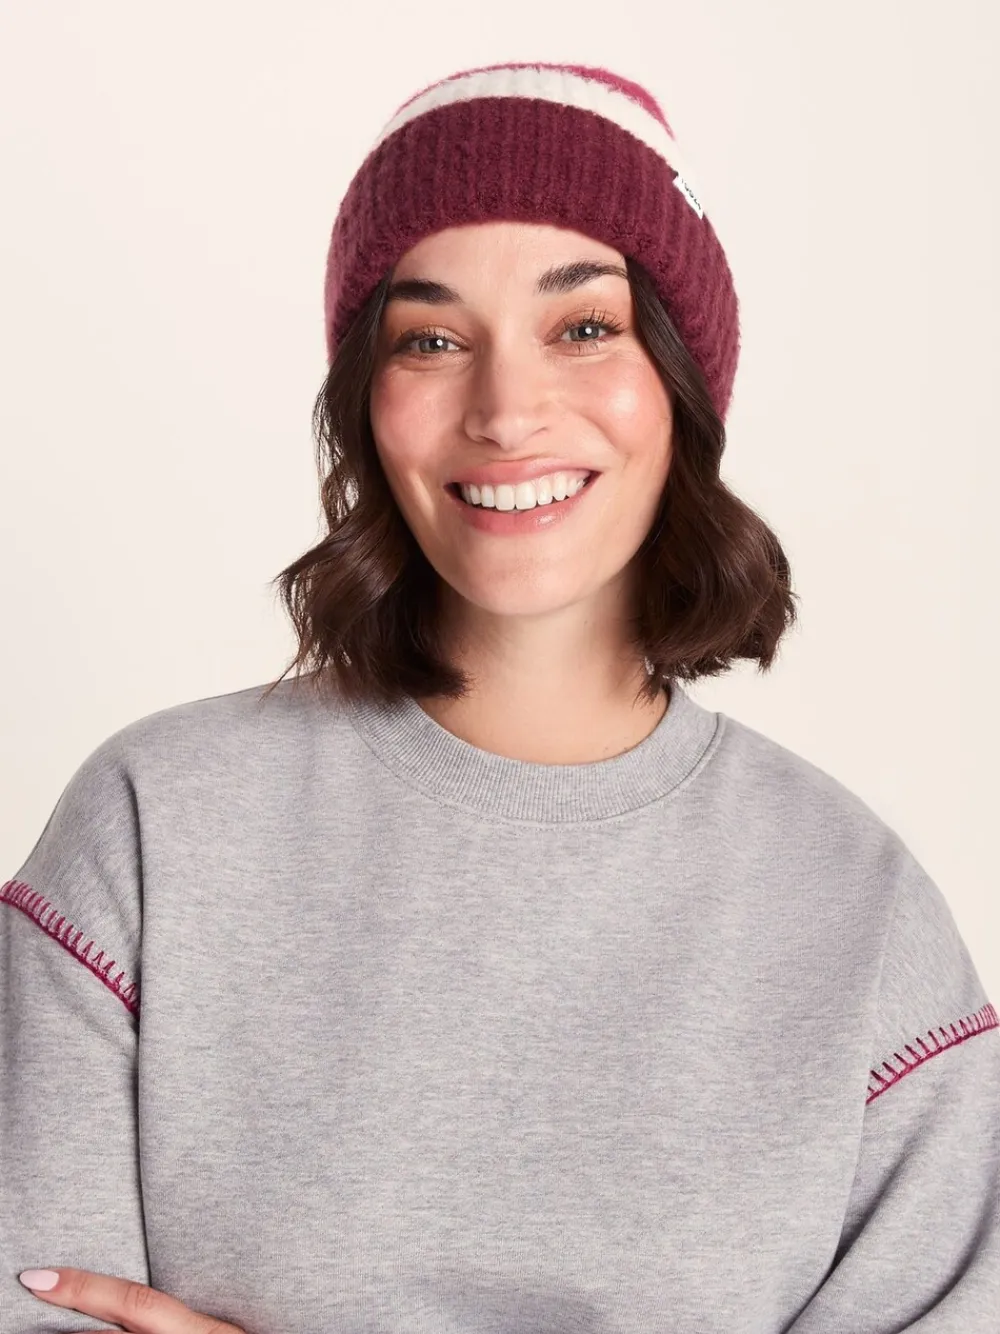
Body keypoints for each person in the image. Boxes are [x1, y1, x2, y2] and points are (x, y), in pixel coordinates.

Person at [2, 61, 997, 1334]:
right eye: (429, 338)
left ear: (681, 383)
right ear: (367, 403)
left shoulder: (858, 915)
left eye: (583, 326)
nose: (507, 411)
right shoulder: (154, 828)